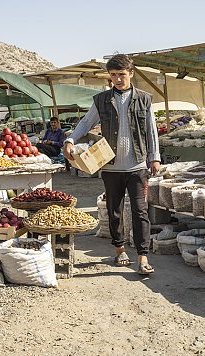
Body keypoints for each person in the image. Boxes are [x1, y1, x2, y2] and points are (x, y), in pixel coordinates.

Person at [63, 54, 160, 275]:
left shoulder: (144, 99)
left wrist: (154, 156)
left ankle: (143, 257)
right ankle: (119, 250)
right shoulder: (102, 100)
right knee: (114, 211)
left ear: (131, 74)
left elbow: (151, 130)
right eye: (113, 75)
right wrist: (69, 140)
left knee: (140, 211)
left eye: (122, 75)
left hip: (137, 166)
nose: (117, 79)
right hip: (111, 167)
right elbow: (87, 122)